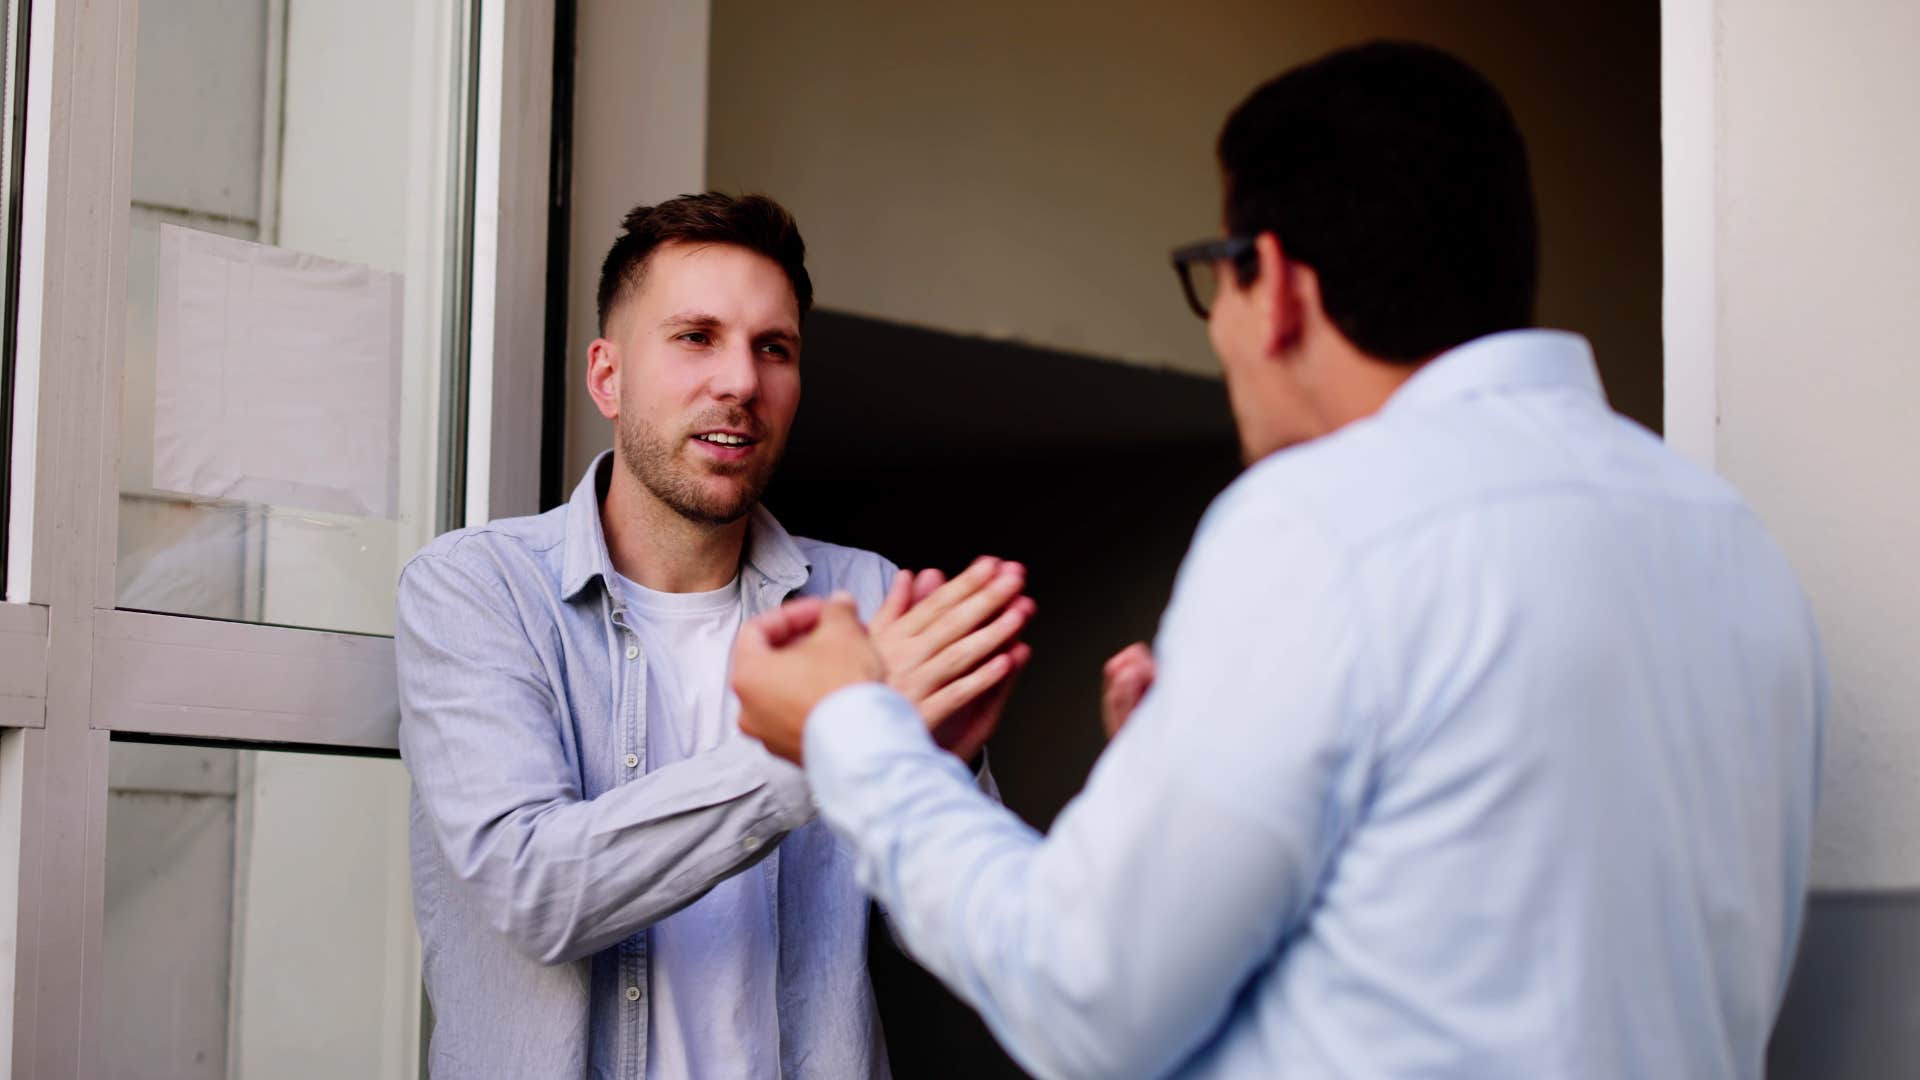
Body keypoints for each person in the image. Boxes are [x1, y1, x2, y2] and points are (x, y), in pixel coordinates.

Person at [730, 42, 1825, 1079]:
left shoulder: (1323, 522)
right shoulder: (1729, 539)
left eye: (1219, 279)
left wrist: (849, 732)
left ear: (1279, 285)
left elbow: (1086, 999)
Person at [396, 192, 1033, 1078]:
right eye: (696, 336)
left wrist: (946, 775)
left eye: (774, 348)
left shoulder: (864, 597)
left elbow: (992, 941)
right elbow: (534, 890)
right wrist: (827, 743)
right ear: (607, 375)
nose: (741, 381)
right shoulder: (479, 588)